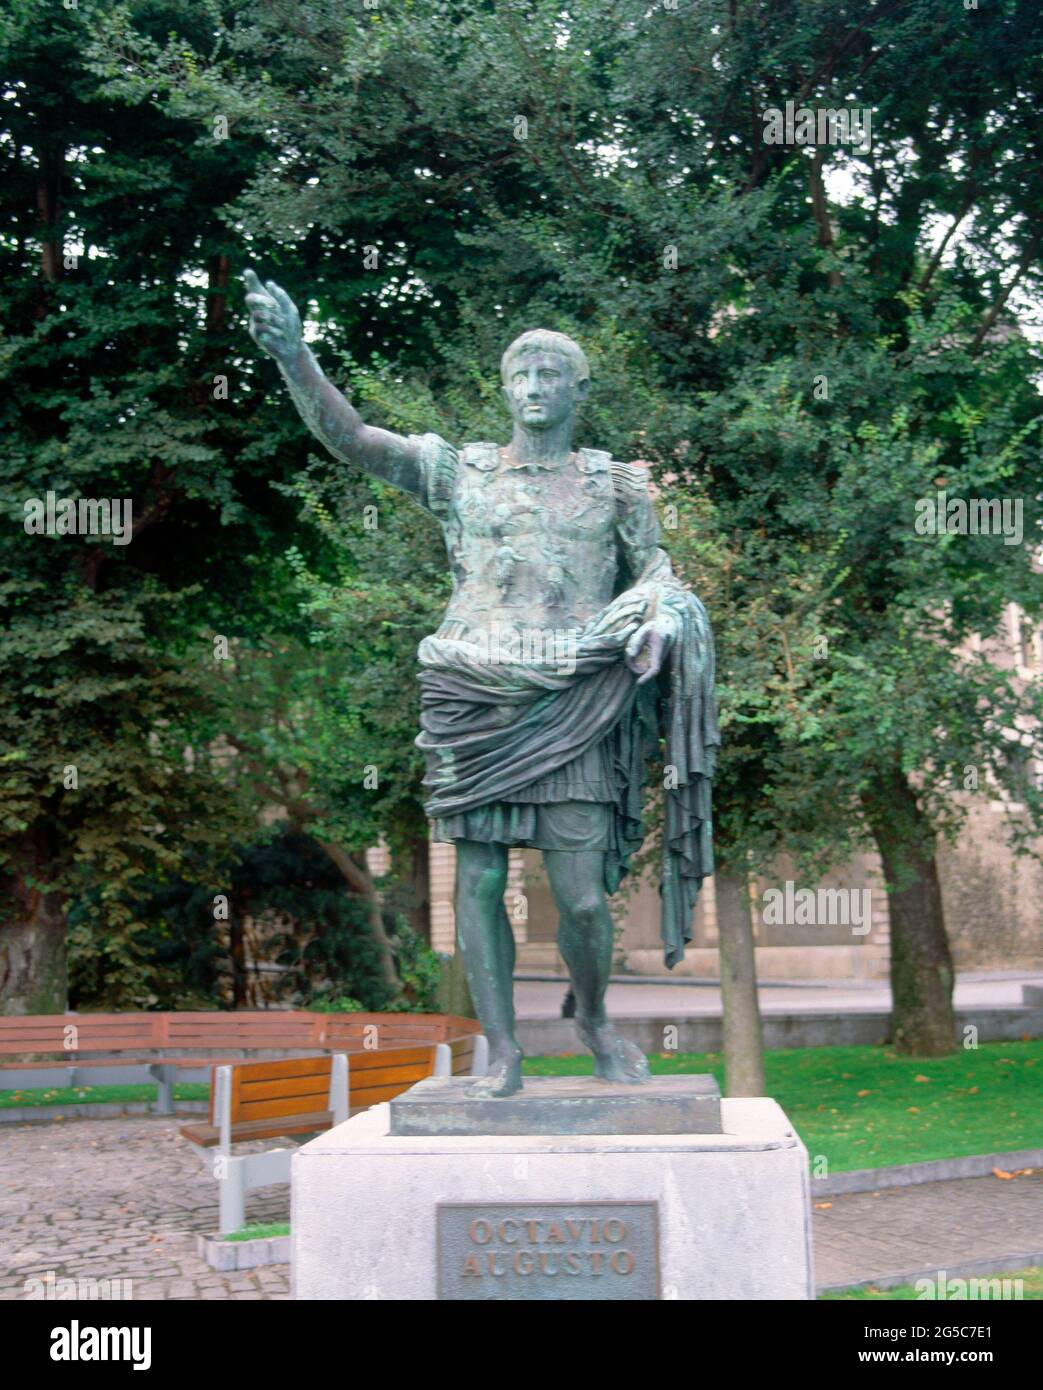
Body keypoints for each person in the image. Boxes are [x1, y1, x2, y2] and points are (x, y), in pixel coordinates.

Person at [245, 270, 718, 1097]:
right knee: (480, 878)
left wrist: (659, 619)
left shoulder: (615, 484)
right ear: (504, 389)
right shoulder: (457, 472)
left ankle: (593, 1021)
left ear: (578, 390)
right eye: (520, 375)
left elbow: (657, 574)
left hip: (575, 694)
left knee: (580, 897)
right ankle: (500, 1049)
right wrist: (294, 358)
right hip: (471, 689)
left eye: (550, 375)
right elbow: (353, 440)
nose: (534, 387)